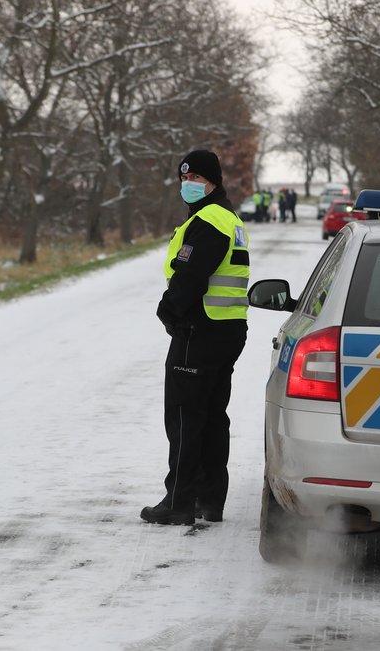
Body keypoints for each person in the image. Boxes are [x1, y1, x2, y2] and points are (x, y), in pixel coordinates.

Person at [142, 149, 250, 526]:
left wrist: (168, 311)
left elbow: (190, 276)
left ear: (213, 183)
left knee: (186, 417)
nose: (188, 185)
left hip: (199, 329)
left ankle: (179, 502)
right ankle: (210, 498)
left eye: (196, 180)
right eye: (184, 179)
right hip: (228, 328)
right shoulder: (230, 219)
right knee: (212, 417)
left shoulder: (207, 221)